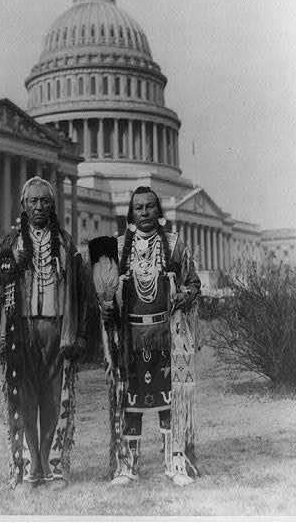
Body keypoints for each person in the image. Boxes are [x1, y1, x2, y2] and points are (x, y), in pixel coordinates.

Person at [90, 186, 201, 486]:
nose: (144, 212)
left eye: (150, 207)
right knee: (129, 402)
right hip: (130, 339)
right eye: (138, 207)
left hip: (166, 335)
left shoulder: (175, 245)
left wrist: (183, 298)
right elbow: (105, 296)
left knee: (170, 401)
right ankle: (127, 466)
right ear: (130, 213)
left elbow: (193, 283)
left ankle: (174, 463)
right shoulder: (115, 247)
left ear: (159, 211)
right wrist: (107, 305)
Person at [0, 176, 87, 491]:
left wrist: (79, 335)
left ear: (53, 206)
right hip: (20, 330)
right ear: (24, 206)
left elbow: (82, 295)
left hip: (57, 328)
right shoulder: (11, 243)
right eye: (33, 201)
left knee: (56, 398)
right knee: (24, 398)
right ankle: (30, 469)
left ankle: (53, 468)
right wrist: (9, 264)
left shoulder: (67, 243)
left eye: (45, 201)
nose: (39, 206)